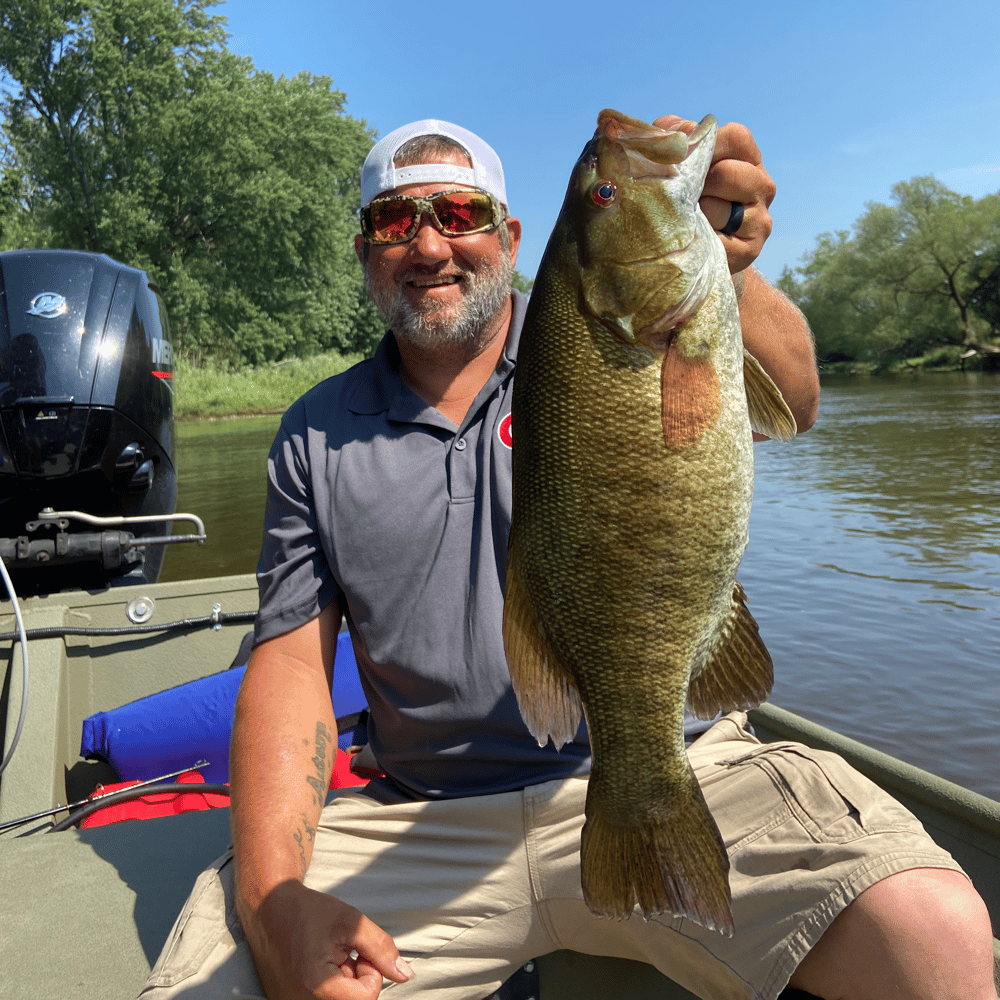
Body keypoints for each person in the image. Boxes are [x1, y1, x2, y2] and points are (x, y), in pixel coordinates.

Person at [141, 117, 997, 1000]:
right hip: (423, 813)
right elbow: (290, 672)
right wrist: (275, 902)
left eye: (460, 211)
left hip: (686, 757)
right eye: (396, 222)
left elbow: (800, 404)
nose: (429, 242)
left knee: (934, 932)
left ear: (510, 241)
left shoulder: (608, 334)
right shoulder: (313, 434)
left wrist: (728, 264)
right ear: (367, 254)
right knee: (219, 983)